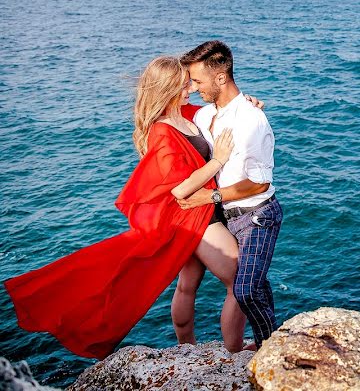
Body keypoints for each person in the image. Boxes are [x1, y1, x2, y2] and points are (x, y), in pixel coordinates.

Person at [4, 56, 252, 358]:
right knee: (240, 276)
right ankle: (236, 354)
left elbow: (219, 112)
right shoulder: (162, 132)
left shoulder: (184, 113)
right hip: (193, 213)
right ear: (169, 88)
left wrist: (245, 103)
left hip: (199, 210)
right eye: (185, 84)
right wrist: (219, 159)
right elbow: (178, 186)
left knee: (188, 283)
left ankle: (187, 350)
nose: (191, 88)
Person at [175, 40, 282, 350]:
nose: (193, 88)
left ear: (220, 78)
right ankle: (270, 341)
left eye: (198, 81)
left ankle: (268, 348)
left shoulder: (251, 119)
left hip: (258, 216)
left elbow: (260, 184)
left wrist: (209, 198)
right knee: (256, 282)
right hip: (228, 218)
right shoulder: (204, 115)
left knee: (246, 289)